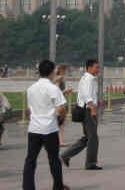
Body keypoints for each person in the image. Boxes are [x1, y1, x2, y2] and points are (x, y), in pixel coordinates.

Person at [22, 59, 69, 190]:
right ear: (52, 72)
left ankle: (28, 187)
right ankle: (58, 186)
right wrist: (61, 119)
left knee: (30, 160)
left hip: (34, 128)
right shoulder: (53, 88)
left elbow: (29, 109)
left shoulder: (31, 89)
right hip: (49, 128)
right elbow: (61, 109)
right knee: (54, 160)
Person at [61, 59, 101, 170]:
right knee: (92, 138)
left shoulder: (87, 78)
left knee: (88, 137)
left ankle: (66, 155)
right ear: (89, 67)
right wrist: (92, 108)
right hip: (88, 110)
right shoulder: (89, 79)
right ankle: (90, 163)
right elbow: (87, 95)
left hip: (87, 109)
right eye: (96, 67)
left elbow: (87, 94)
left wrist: (96, 102)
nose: (98, 69)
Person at [54, 65, 73, 147]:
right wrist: (67, 91)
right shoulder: (59, 79)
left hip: (57, 103)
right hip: (59, 103)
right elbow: (57, 92)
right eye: (65, 70)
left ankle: (58, 140)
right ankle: (60, 141)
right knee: (60, 124)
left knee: (58, 123)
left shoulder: (55, 78)